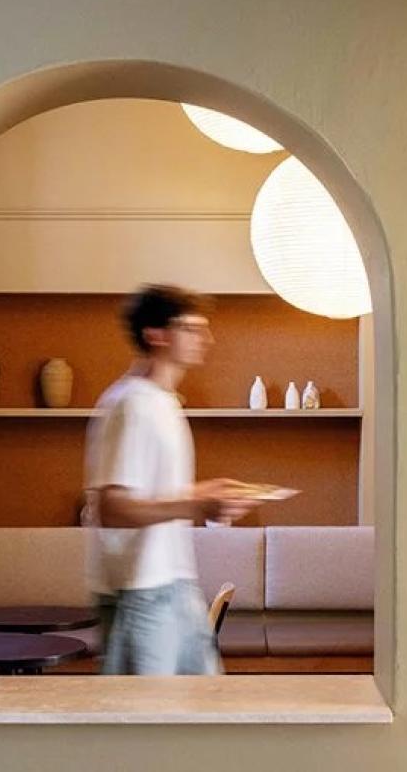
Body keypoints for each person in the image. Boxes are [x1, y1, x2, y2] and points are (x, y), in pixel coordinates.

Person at [83, 284, 264, 675]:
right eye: (193, 328)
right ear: (156, 334)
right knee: (146, 730)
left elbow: (155, 496)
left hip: (177, 584)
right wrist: (197, 502)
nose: (207, 338)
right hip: (140, 594)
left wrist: (208, 494)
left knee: (202, 716)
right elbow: (111, 508)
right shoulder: (130, 403)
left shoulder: (163, 403)